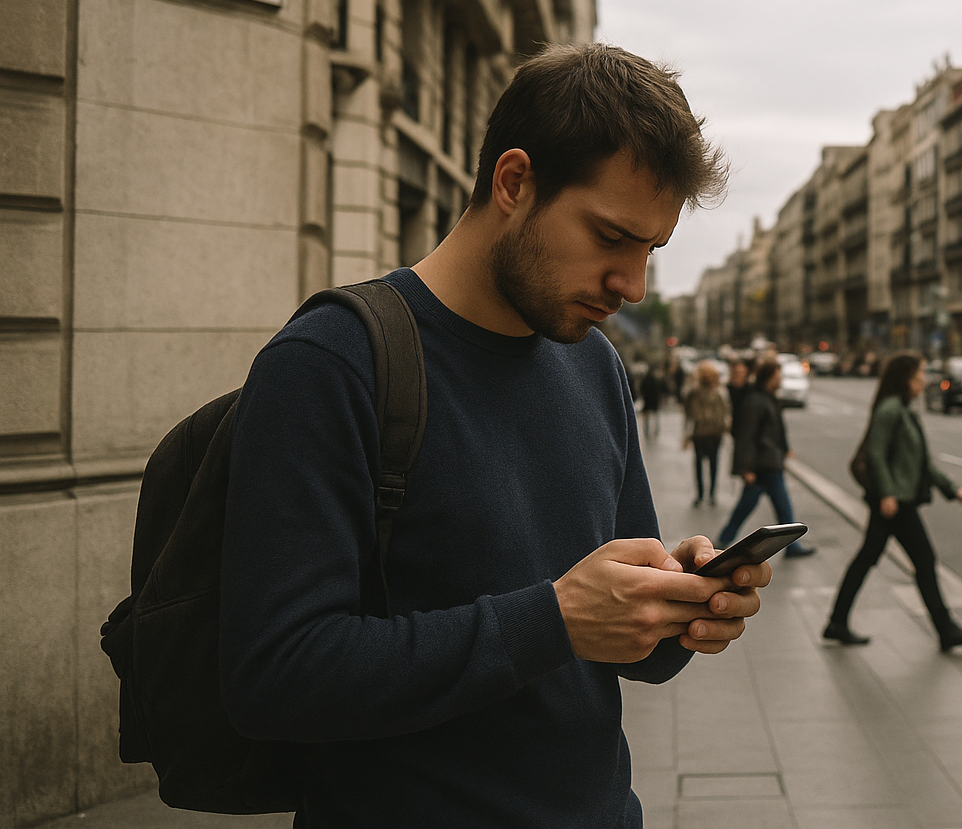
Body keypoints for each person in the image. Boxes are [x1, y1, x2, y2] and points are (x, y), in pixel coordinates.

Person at [221, 43, 774, 829]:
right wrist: (554, 618)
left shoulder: (597, 369)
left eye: (650, 251)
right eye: (611, 236)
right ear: (514, 182)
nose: (633, 285)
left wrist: (679, 609)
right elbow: (272, 677)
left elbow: (610, 640)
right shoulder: (332, 361)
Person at [824, 353, 962, 652]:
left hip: (897, 500)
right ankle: (945, 628)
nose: (924, 381)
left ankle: (837, 621)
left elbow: (922, 463)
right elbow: (876, 453)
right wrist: (887, 492)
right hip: (895, 502)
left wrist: (952, 489)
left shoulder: (902, 409)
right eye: (919, 375)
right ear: (905, 378)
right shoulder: (890, 410)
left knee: (869, 558)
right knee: (922, 560)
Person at [718, 361, 815, 556]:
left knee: (749, 504)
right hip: (764, 463)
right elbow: (747, 435)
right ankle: (791, 545)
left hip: (767, 460)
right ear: (769, 377)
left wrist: (785, 448)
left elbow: (777, 429)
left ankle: (724, 538)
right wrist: (746, 468)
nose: (781, 381)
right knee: (781, 505)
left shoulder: (767, 398)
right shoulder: (756, 400)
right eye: (778, 376)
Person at [683, 362, 730, 506]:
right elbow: (688, 413)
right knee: (703, 464)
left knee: (711, 464)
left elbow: (725, 411)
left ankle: (708, 494)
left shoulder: (719, 392)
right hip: (702, 433)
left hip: (712, 433)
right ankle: (703, 494)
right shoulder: (694, 392)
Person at [640, 363, 667, 440]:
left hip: (647, 400)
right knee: (655, 416)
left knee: (647, 416)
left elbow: (642, 389)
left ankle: (647, 430)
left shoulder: (645, 379)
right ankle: (656, 429)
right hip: (654, 400)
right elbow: (661, 389)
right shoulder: (657, 379)